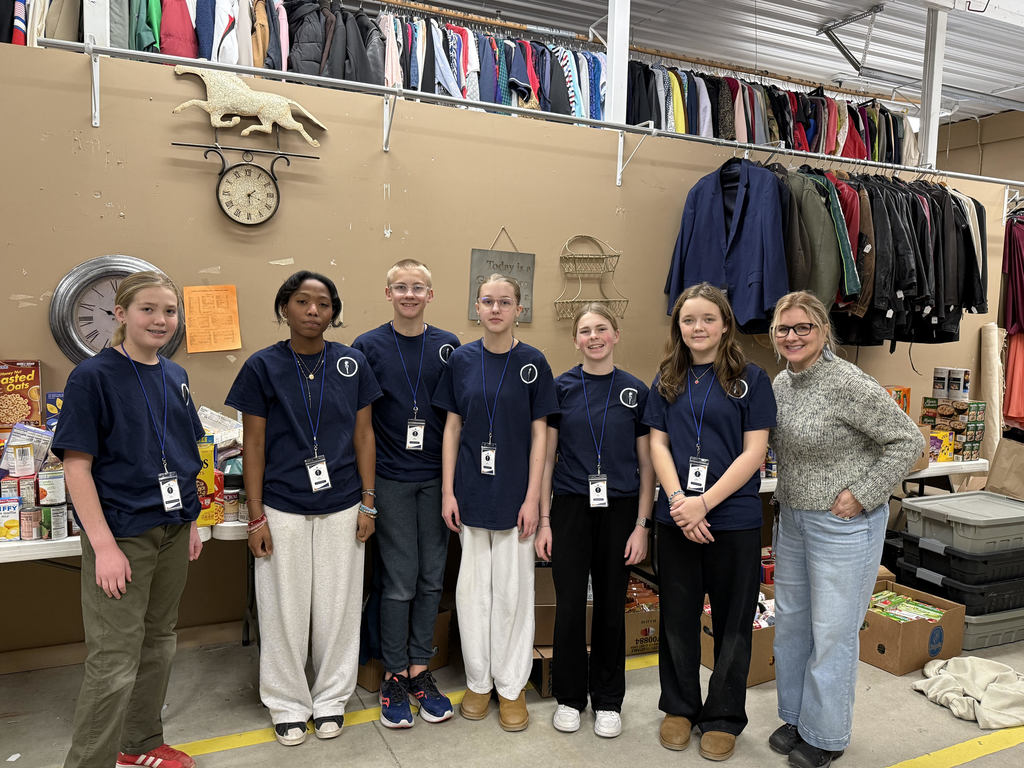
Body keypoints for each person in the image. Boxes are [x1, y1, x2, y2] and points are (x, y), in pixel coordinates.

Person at [768, 291, 924, 768]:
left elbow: (908, 440)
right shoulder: (780, 383)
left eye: (803, 328)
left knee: (833, 630)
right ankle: (795, 715)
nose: (792, 337)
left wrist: (863, 493)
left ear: (823, 331)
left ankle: (826, 734)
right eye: (783, 329)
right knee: (792, 623)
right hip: (792, 517)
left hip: (843, 523)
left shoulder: (847, 382)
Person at [225, 271, 382, 747]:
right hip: (282, 505)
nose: (313, 311)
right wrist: (255, 516)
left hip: (342, 505)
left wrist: (368, 505)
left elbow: (364, 437)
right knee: (283, 611)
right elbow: (253, 445)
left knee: (338, 608)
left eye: (323, 303)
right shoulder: (262, 366)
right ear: (285, 308)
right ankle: (287, 702)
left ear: (333, 312)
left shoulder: (352, 363)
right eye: (302, 301)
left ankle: (332, 697)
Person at [56, 271, 205, 768]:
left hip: (173, 529)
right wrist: (103, 547)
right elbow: (77, 466)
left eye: (169, 310)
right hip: (122, 536)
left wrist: (192, 521)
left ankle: (138, 744)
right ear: (120, 315)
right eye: (148, 309)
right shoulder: (92, 378)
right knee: (114, 662)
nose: (161, 320)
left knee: (159, 644)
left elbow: (187, 452)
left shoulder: (174, 375)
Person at [642, 282, 776, 762]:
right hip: (675, 517)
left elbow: (755, 451)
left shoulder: (751, 378)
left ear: (725, 324)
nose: (697, 328)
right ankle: (679, 708)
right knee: (677, 617)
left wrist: (705, 504)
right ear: (678, 327)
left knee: (733, 622)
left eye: (707, 319)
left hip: (733, 518)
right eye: (687, 320)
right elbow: (657, 444)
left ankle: (723, 716)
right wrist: (680, 500)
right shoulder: (667, 377)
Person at [434, 273, 558, 732]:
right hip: (470, 495)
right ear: (477, 306)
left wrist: (533, 500)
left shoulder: (533, 363)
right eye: (487, 301)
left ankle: (510, 687)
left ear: (518, 309)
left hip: (515, 499)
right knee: (471, 595)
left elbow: (540, 437)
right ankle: (478, 681)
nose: (495, 309)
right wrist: (448, 490)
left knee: (512, 595)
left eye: (505, 302)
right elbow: (451, 429)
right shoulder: (462, 360)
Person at [535, 302, 655, 739]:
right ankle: (569, 697)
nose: (594, 337)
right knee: (569, 606)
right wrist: (545, 521)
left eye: (601, 328)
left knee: (609, 606)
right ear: (575, 340)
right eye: (585, 331)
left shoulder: (635, 391)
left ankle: (608, 700)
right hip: (569, 506)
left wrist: (643, 525)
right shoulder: (560, 388)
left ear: (616, 335)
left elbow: (648, 466)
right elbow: (547, 459)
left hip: (621, 509)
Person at [352, 259, 460, 728]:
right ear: (388, 292)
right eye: (401, 287)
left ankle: (421, 669)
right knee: (398, 580)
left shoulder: (450, 346)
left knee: (431, 578)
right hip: (392, 478)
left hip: (438, 479)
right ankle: (394, 674)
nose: (410, 294)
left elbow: (458, 419)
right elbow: (360, 426)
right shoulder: (367, 347)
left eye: (418, 287)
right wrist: (368, 494)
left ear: (431, 295)